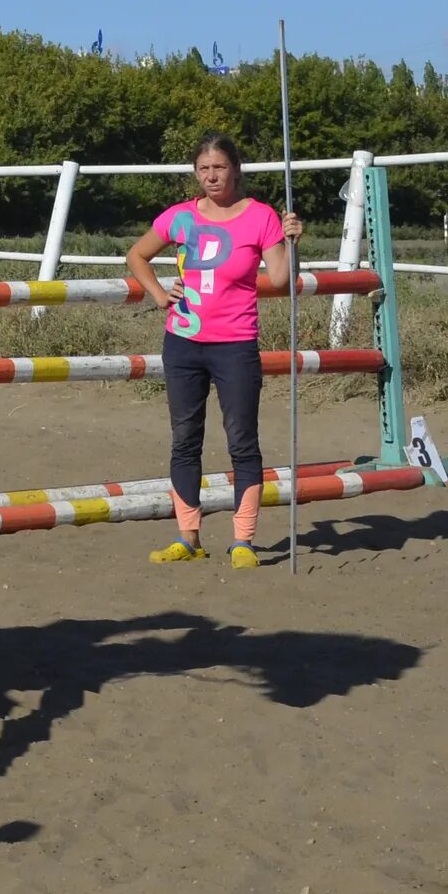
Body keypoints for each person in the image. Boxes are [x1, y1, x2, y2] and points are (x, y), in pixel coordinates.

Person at [123, 131, 300, 569]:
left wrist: (293, 242)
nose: (211, 176)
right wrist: (160, 294)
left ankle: (243, 539)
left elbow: (279, 281)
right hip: (183, 342)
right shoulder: (180, 217)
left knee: (242, 440)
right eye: (204, 169)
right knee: (185, 439)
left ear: (235, 169)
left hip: (235, 345)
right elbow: (137, 255)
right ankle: (188, 536)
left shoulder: (262, 218)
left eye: (219, 167)